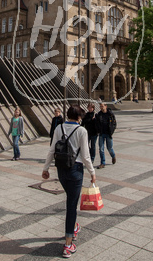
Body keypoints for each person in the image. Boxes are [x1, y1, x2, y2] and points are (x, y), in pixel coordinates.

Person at [42, 105, 96, 258]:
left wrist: (45, 168)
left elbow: (52, 149)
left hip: (61, 170)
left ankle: (74, 227)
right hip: (75, 171)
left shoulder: (59, 128)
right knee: (72, 205)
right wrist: (92, 172)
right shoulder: (81, 131)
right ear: (79, 117)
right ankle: (68, 244)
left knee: (71, 199)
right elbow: (85, 156)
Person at [95, 101, 117, 169]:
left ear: (105, 106)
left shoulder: (110, 114)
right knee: (101, 149)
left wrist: (111, 131)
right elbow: (97, 123)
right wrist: (98, 130)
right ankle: (102, 163)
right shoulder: (99, 114)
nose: (101, 107)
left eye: (102, 106)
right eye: (100, 106)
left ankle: (113, 156)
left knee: (109, 148)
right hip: (101, 133)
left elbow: (114, 123)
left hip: (108, 134)